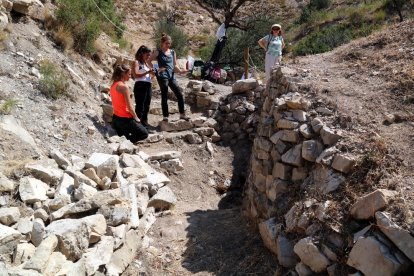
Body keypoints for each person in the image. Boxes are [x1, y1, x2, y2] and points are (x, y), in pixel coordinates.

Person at [149, 33, 189, 122]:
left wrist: (181, 71)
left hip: (171, 76)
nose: (168, 45)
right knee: (164, 95)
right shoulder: (158, 52)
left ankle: (182, 114)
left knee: (179, 94)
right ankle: (165, 116)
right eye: (166, 43)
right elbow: (149, 61)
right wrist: (156, 70)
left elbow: (175, 65)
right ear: (162, 43)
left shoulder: (172, 52)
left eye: (169, 43)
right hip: (162, 76)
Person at [110, 64, 148, 143]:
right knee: (144, 133)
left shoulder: (113, 85)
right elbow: (130, 107)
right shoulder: (124, 87)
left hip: (115, 119)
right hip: (125, 120)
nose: (130, 76)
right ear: (123, 74)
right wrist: (136, 118)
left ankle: (125, 141)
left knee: (126, 135)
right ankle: (126, 143)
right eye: (129, 74)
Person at [132, 45, 154, 127]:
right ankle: (138, 124)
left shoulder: (146, 63)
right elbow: (136, 74)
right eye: (147, 55)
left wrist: (154, 73)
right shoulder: (136, 62)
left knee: (147, 104)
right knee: (140, 105)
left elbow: (150, 76)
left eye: (149, 55)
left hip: (148, 85)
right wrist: (147, 72)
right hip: (140, 85)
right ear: (142, 53)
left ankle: (144, 122)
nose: (149, 57)